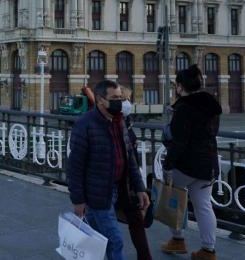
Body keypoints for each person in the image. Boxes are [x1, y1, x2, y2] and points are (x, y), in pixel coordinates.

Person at [68, 80, 149, 260]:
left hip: (118, 189)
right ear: (100, 100)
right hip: (96, 194)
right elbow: (75, 166)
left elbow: (130, 159)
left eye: (120, 97)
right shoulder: (85, 125)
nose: (119, 102)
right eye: (114, 98)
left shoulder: (119, 121)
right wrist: (78, 200)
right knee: (114, 241)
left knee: (96, 241)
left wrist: (140, 188)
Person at [161, 65, 221, 260]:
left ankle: (177, 240)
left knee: (173, 199)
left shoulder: (183, 109)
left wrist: (168, 166)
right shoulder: (211, 106)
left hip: (185, 165)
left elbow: (179, 142)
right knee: (204, 205)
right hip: (207, 164)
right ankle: (208, 250)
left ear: (180, 87)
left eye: (176, 85)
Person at [116, 87, 152, 260]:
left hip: (127, 182)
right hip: (105, 185)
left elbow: (131, 160)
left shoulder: (125, 121)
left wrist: (139, 187)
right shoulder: (96, 123)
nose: (126, 103)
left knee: (136, 220)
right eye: (122, 99)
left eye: (127, 99)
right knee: (102, 222)